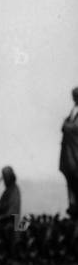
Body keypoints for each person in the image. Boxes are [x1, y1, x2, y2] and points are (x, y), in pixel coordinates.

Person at [60, 87, 78, 218]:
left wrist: (67, 126)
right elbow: (66, 125)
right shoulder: (73, 111)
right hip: (69, 152)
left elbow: (73, 127)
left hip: (75, 152)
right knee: (71, 177)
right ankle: (73, 205)